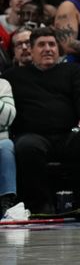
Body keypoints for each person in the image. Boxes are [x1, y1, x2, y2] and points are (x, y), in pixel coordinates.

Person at [6, 27, 80, 215]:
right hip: (34, 136)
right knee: (26, 145)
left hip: (70, 135)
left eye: (52, 44)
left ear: (58, 49)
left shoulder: (73, 71)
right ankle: (42, 205)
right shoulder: (13, 77)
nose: (47, 49)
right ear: (32, 50)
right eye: (41, 45)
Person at [0, 76, 16, 218]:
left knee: (6, 147)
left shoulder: (3, 84)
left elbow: (8, 118)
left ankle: (6, 201)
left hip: (1, 139)